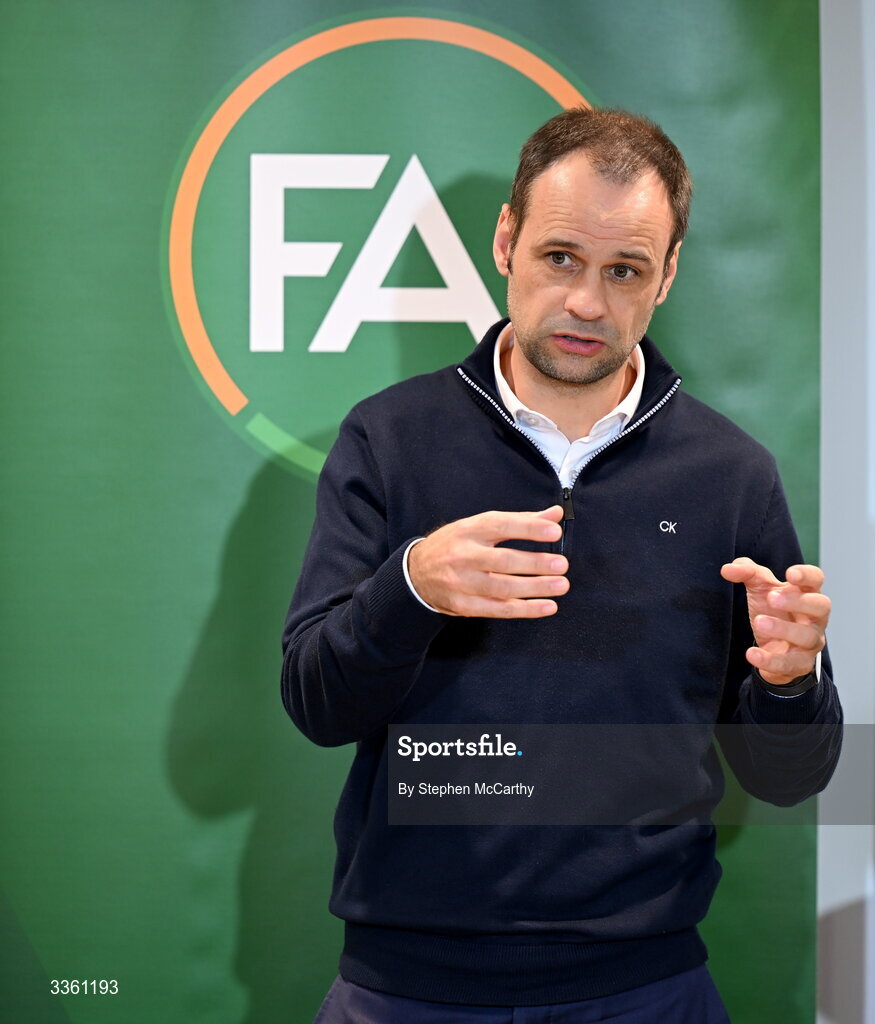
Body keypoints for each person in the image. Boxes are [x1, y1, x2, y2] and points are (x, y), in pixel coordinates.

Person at [281, 108, 842, 1022]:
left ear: (665, 277)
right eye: (559, 259)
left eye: (624, 270)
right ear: (506, 241)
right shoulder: (388, 439)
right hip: (407, 989)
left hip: (645, 990)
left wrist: (788, 682)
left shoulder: (730, 474)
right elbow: (315, 702)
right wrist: (411, 586)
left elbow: (786, 774)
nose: (587, 301)